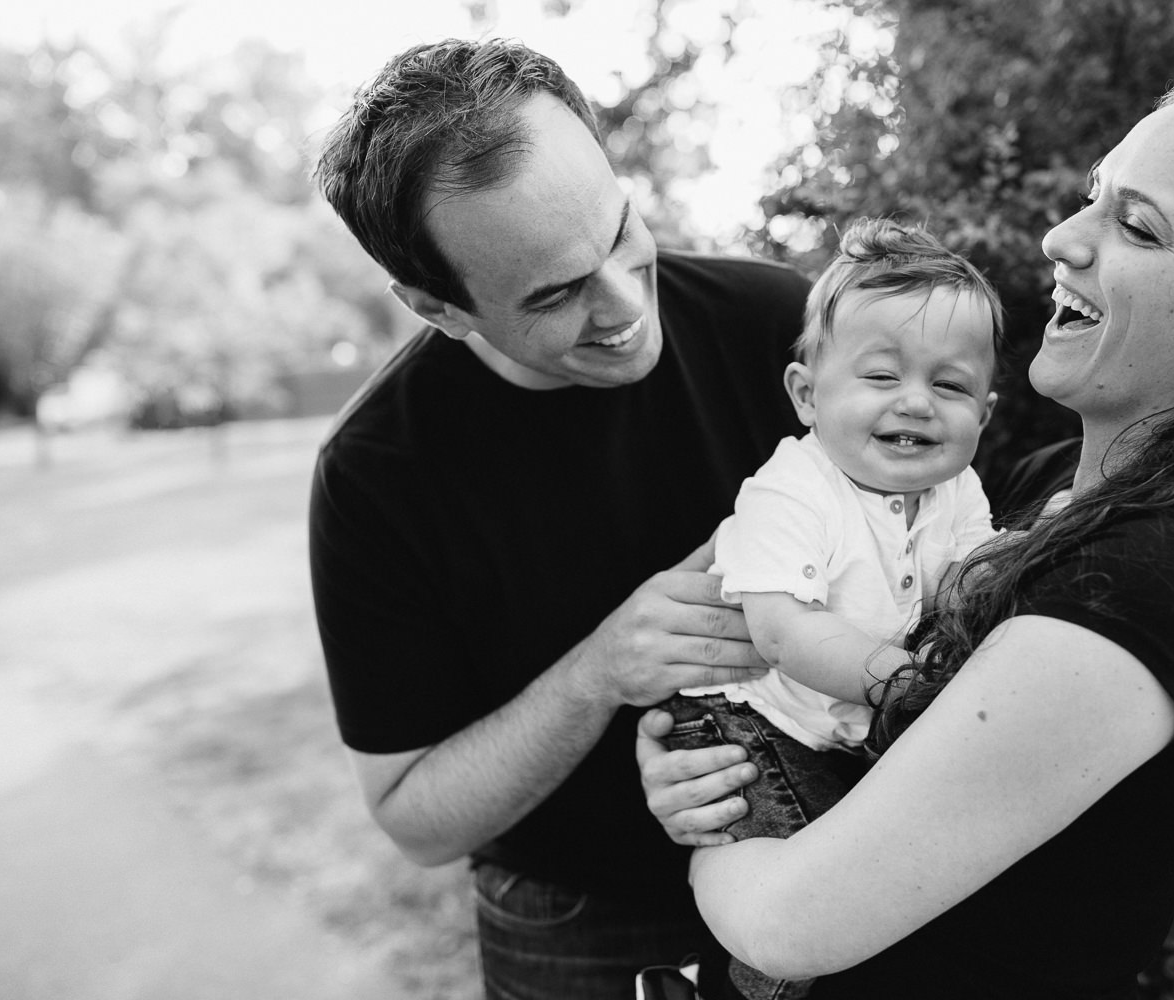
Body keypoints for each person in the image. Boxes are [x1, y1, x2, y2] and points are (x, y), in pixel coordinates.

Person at [637, 55, 1174, 998]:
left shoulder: (1166, 584)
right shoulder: (1051, 490)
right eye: (1093, 197)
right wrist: (722, 760)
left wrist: (715, 832)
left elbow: (786, 923)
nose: (1061, 237)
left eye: (1136, 225)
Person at [308, 39, 811, 1000]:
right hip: (578, 919)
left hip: (823, 852)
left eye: (621, 232)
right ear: (438, 307)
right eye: (554, 294)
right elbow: (415, 818)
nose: (624, 307)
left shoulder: (777, 323)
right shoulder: (375, 476)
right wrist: (601, 671)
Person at [657, 217, 1001, 999]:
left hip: (845, 725)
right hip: (752, 722)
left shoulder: (958, 491)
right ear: (808, 395)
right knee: (803, 908)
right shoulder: (791, 489)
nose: (916, 403)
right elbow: (783, 631)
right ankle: (718, 988)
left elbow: (975, 580)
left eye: (949, 386)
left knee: (871, 896)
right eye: (882, 377)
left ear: (983, 414)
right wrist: (901, 682)